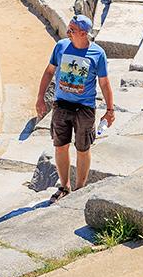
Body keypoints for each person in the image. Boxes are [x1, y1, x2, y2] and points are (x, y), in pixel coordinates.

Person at [35, 15, 115, 203]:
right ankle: (64, 186)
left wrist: (110, 110)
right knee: (60, 146)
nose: (68, 32)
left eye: (72, 30)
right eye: (69, 29)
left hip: (84, 108)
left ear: (83, 33)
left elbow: (104, 83)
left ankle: (79, 188)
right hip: (61, 105)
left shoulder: (97, 54)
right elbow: (49, 71)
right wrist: (40, 98)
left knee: (83, 148)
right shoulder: (61, 46)